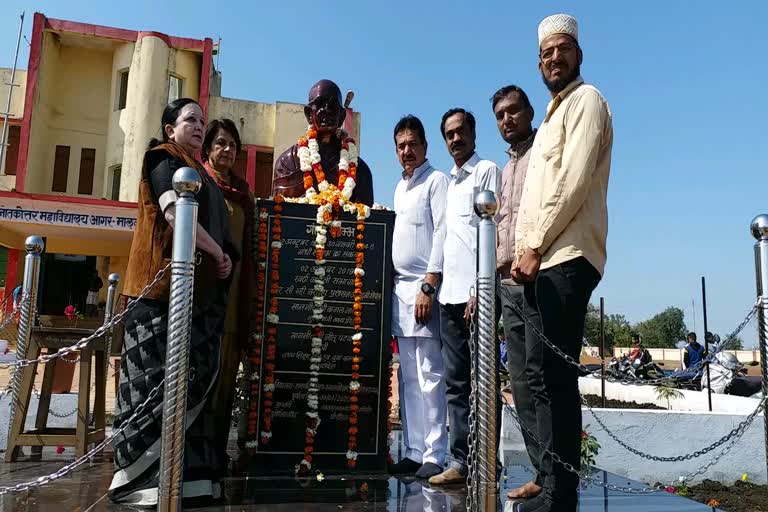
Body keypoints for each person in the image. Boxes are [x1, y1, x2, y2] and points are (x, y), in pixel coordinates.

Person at [110, 98, 237, 507]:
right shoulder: (163, 159)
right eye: (190, 120)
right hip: (159, 298)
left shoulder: (203, 174)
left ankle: (187, 479)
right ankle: (139, 482)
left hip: (195, 305)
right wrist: (218, 254)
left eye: (202, 120)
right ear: (170, 129)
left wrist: (225, 256)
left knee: (189, 389)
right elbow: (173, 213)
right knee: (152, 386)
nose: (199, 126)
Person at [512, 14, 613, 511]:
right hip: (540, 261)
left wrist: (533, 246)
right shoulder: (553, 114)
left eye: (564, 50)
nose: (555, 58)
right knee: (540, 377)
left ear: (579, 55)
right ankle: (552, 485)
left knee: (555, 375)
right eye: (547, 53)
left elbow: (571, 183)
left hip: (566, 257)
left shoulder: (587, 101)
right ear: (539, 62)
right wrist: (523, 250)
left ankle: (561, 494)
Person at [429, 108, 501, 486]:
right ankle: (460, 461)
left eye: (461, 132)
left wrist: (479, 288)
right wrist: (433, 284)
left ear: (473, 134)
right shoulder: (451, 181)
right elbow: (444, 238)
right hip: (449, 296)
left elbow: (487, 230)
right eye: (449, 135)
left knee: (484, 382)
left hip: (478, 295)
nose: (455, 140)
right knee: (455, 383)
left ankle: (488, 461)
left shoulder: (485, 170)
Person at [389, 115, 449, 480]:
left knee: (430, 375)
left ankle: (435, 452)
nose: (406, 151)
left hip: (425, 290)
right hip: (399, 291)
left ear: (425, 146)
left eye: (412, 144)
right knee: (408, 375)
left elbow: (442, 232)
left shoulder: (436, 181)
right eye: (400, 146)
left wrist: (429, 283)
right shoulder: (400, 186)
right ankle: (412, 450)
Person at [491, 85, 543, 501]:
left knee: (543, 379)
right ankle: (541, 470)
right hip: (507, 280)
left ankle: (553, 475)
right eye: (500, 115)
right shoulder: (507, 168)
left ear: (528, 112)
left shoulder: (543, 150)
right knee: (521, 382)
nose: (507, 119)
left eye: (513, 111)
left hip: (537, 278)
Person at [201, 118, 255, 474]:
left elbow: (250, 249)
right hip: (204, 300)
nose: (227, 150)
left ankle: (217, 455)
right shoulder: (198, 184)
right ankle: (194, 458)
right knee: (201, 379)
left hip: (235, 302)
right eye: (220, 143)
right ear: (208, 148)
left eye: (232, 145)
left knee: (225, 384)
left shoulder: (244, 194)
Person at [272, 79, 374, 206]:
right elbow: (278, 211)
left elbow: (367, 218)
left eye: (332, 106)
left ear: (342, 116)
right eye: (320, 104)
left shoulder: (360, 170)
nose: (326, 110)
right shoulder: (288, 162)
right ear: (309, 114)